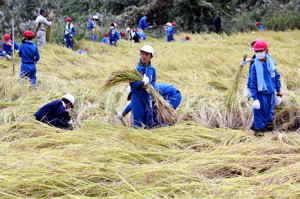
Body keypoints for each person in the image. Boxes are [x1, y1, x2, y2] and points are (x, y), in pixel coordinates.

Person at [248, 40, 282, 136]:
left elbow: (276, 78)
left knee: (269, 114)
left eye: (261, 51)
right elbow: (252, 82)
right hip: (260, 95)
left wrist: (279, 93)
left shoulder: (271, 64)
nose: (259, 53)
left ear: (266, 50)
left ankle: (267, 133)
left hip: (271, 94)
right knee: (259, 115)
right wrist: (255, 98)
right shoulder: (254, 66)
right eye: (256, 51)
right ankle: (259, 135)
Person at [129, 45, 156, 128]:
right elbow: (132, 85)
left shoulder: (152, 70)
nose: (144, 56)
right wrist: (142, 82)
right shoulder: (136, 69)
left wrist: (151, 88)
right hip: (137, 97)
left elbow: (153, 81)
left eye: (146, 55)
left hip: (147, 96)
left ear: (151, 57)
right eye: (142, 54)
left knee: (149, 120)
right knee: (137, 120)